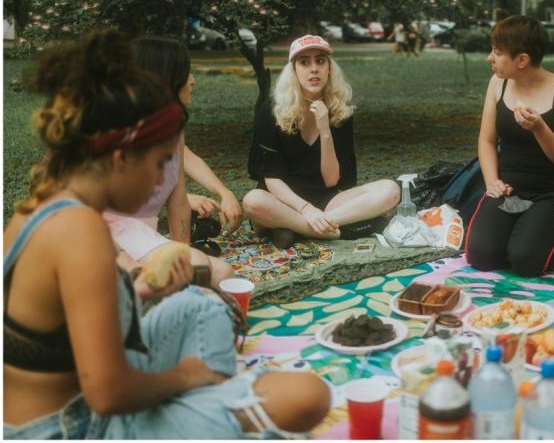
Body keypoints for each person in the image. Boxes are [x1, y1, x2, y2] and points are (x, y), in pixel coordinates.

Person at [4, 29, 330, 439]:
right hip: (73, 424)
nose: (165, 179)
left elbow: (68, 317)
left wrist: (142, 289)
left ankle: (204, 405)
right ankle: (205, 407)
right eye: (161, 164)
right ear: (122, 156)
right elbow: (108, 394)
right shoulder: (78, 231)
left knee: (202, 303)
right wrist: (189, 375)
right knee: (304, 397)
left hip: (90, 383)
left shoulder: (56, 206)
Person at [242, 34, 399, 246]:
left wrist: (325, 130)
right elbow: (271, 179)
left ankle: (298, 229)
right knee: (252, 201)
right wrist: (306, 209)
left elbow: (332, 181)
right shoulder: (272, 110)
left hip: (328, 201)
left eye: (320, 61)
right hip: (283, 200)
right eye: (304, 62)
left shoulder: (341, 111)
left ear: (329, 69)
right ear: (294, 70)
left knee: (390, 190)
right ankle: (333, 231)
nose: (313, 68)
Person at [101, 36, 234, 287]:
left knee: (220, 273)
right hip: (103, 236)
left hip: (142, 237)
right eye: (186, 72)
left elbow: (178, 201)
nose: (193, 80)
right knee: (205, 270)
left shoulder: (174, 129)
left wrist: (182, 255)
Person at [465, 16, 554, 276]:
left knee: (526, 260)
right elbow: (486, 140)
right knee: (480, 255)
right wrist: (492, 182)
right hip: (509, 189)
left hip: (551, 192)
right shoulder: (498, 83)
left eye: (497, 53)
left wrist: (540, 129)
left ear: (522, 60)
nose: (490, 58)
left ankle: (546, 228)